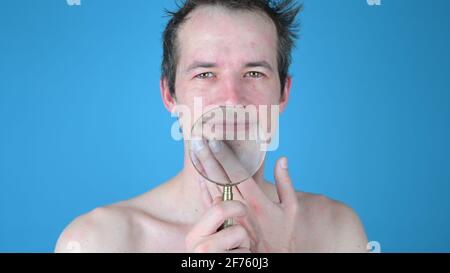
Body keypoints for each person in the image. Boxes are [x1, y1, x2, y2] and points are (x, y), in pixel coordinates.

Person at [55, 0, 368, 253]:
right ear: (169, 95)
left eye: (255, 73)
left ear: (284, 93)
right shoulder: (97, 242)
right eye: (205, 74)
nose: (231, 99)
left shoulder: (337, 230)